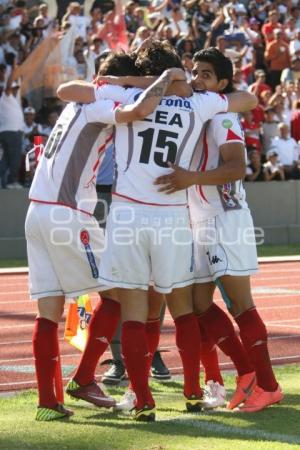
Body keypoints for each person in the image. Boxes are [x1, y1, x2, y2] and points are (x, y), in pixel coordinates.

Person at [58, 40, 257, 421]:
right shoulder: (199, 102)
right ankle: (194, 390)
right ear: (176, 71)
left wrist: (135, 79)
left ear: (147, 72)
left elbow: (72, 90)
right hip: (173, 215)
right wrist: (180, 82)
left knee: (134, 312)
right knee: (182, 309)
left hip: (129, 214)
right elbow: (246, 99)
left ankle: (142, 397)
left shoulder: (128, 92)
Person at [26, 52, 182, 422]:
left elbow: (69, 88)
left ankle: (48, 402)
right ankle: (82, 378)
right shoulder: (101, 99)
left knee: (48, 311)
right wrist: (160, 80)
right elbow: (137, 111)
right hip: (68, 213)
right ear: (118, 81)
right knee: (115, 293)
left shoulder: (86, 97)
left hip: (36, 211)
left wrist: (133, 83)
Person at [155, 47, 283, 413]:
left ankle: (269, 386)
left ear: (222, 84)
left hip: (225, 217)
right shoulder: (198, 110)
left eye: (206, 74)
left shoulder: (223, 116)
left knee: (242, 305)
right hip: (200, 219)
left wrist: (189, 179)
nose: (197, 79)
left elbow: (237, 167)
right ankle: (246, 373)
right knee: (197, 305)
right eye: (194, 72)